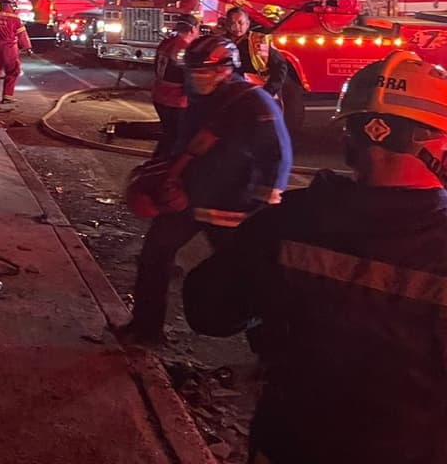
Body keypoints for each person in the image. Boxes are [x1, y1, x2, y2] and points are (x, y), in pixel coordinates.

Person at [184, 50, 447, 464]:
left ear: (348, 141)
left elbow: (207, 310)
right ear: (439, 143)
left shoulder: (287, 222)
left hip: (291, 441)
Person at [115, 36, 291, 347]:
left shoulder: (255, 103)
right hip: (189, 197)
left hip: (234, 206)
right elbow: (183, 144)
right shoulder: (198, 100)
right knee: (154, 257)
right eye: (193, 72)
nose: (196, 78)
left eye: (203, 72)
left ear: (226, 69)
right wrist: (165, 177)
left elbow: (278, 154)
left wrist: (265, 203)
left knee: (247, 273)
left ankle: (268, 347)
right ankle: (146, 328)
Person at [151, 14, 199, 156]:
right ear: (193, 29)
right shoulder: (184, 49)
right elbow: (188, 76)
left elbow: (155, 67)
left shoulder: (166, 43)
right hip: (176, 100)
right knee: (175, 137)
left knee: (168, 134)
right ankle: (163, 166)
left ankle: (158, 164)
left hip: (159, 95)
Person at [224, 6, 288, 99]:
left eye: (240, 23)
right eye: (232, 23)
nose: (236, 27)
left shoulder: (259, 41)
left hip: (260, 91)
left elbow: (280, 66)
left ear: (247, 24)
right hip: (231, 94)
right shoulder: (221, 43)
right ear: (226, 24)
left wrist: (269, 91)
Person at [0, 0, 32, 104]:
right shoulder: (15, 18)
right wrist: (27, 47)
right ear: (10, 5)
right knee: (13, 71)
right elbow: (22, 35)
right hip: (9, 47)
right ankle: (7, 96)